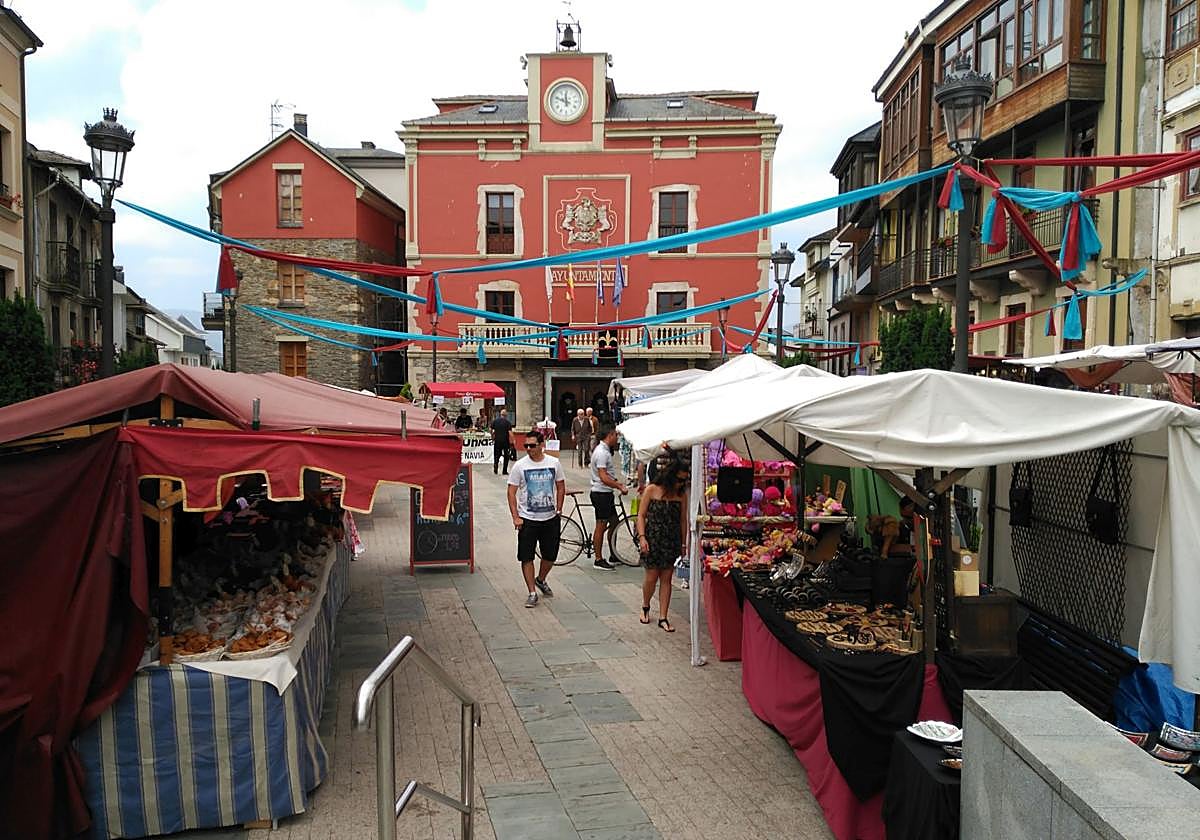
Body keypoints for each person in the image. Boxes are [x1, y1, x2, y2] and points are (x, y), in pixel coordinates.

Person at [507, 430, 565, 607]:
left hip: (549, 518)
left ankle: (541, 579)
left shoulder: (554, 463)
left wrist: (559, 508)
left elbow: (561, 486)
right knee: (527, 556)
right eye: (526, 446)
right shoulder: (520, 465)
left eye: (532, 445)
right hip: (528, 519)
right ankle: (532, 592)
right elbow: (511, 492)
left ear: (542, 445)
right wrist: (516, 517)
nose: (528, 449)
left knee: (550, 555)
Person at [636, 452, 689, 632]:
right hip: (653, 538)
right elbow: (641, 516)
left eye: (684, 480)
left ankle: (663, 616)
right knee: (651, 577)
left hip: (671, 539)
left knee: (666, 578)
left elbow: (683, 520)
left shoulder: (681, 495)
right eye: (679, 480)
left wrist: (683, 544)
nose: (681, 484)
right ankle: (645, 606)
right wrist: (642, 537)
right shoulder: (652, 489)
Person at [589, 423, 629, 571]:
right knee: (601, 524)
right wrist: (618, 486)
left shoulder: (604, 451)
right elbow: (603, 477)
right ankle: (598, 559)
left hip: (606, 493)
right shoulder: (601, 453)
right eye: (615, 435)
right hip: (601, 493)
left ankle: (613, 553)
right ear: (610, 435)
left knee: (614, 522)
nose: (617, 438)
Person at [490, 408, 514, 475]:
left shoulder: (495, 421)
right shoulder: (507, 423)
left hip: (497, 441)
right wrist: (513, 440)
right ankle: (504, 471)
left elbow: (491, 430)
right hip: (505, 442)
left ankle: (495, 467)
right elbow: (510, 433)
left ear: (500, 414)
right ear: (506, 415)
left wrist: (492, 437)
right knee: (506, 456)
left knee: (496, 455)